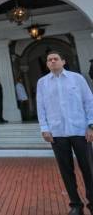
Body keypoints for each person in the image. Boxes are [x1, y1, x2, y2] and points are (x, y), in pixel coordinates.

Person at [37, 51, 93, 215]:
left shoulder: (77, 79)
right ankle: (75, 205)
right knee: (66, 170)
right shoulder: (42, 83)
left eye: (55, 59)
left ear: (63, 61)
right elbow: (40, 107)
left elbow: (89, 101)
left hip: (80, 130)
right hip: (57, 132)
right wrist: (44, 128)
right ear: (47, 64)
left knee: (88, 168)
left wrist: (91, 125)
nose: (52, 61)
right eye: (49, 60)